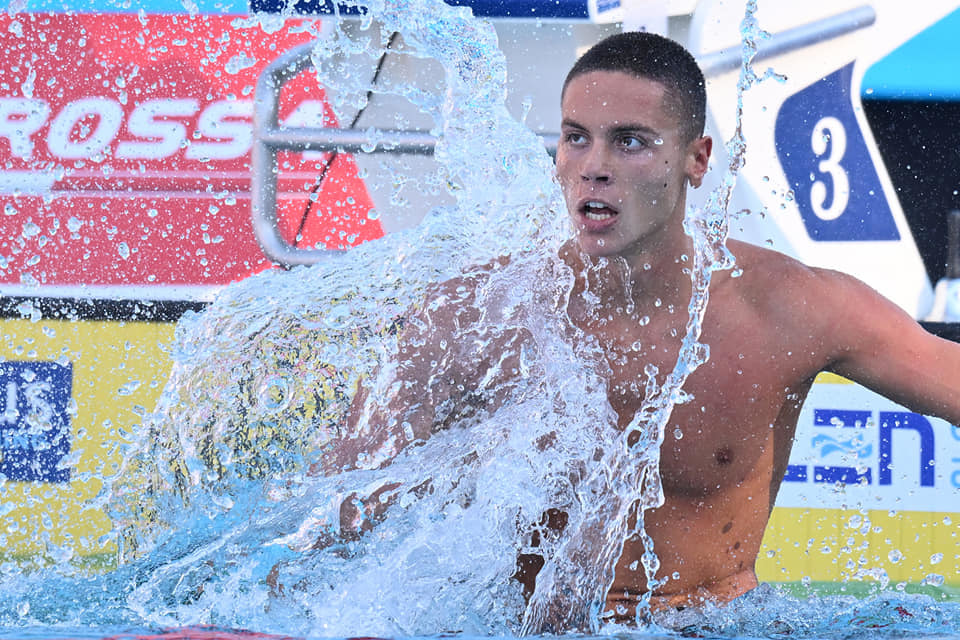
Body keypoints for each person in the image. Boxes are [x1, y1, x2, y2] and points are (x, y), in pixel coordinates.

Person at [308, 31, 960, 626]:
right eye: (575, 137)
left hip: (710, 626)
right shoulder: (476, 319)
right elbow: (326, 520)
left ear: (697, 159)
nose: (594, 165)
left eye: (630, 141)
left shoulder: (785, 310)